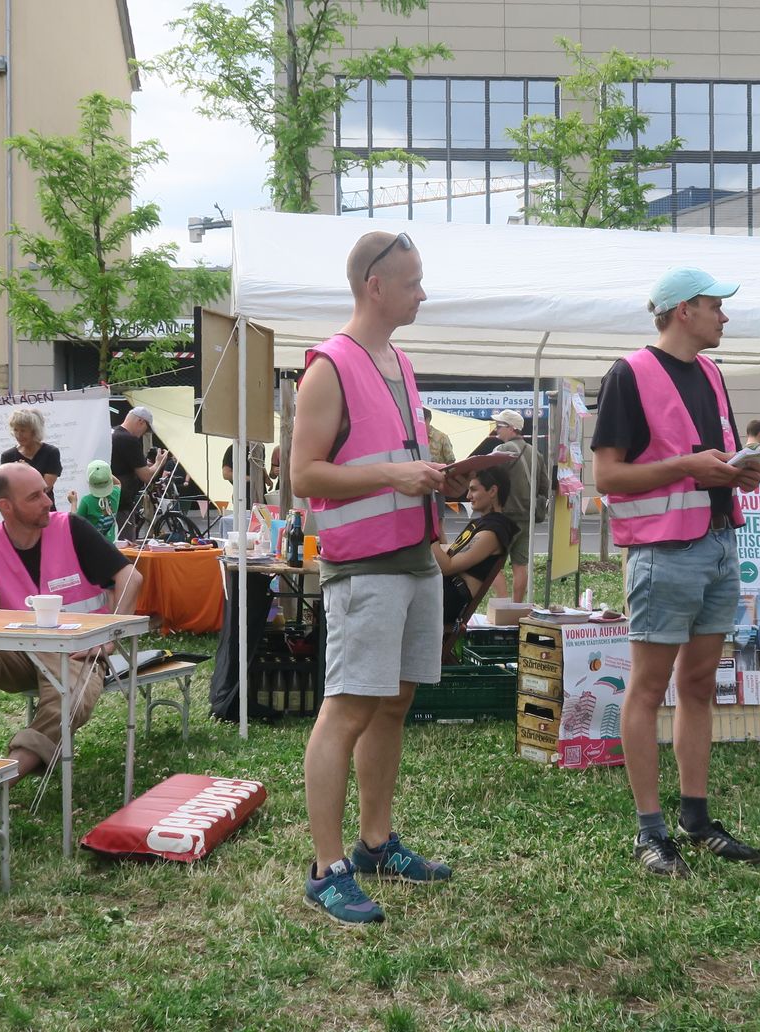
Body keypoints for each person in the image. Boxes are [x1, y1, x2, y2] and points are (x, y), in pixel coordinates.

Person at [289, 229, 457, 925]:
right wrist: (395, 474)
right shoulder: (329, 365)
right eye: (413, 281)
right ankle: (326, 867)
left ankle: (375, 842)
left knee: (392, 703)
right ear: (374, 286)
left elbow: (392, 457)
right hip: (363, 565)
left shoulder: (400, 362)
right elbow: (303, 475)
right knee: (349, 706)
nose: (423, 292)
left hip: (415, 557)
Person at [592, 267, 760, 878]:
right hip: (663, 551)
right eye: (717, 306)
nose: (725, 316)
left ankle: (695, 818)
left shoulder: (713, 374)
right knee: (646, 689)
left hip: (719, 544)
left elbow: (708, 460)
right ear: (682, 309)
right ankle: (650, 831)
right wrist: (689, 467)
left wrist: (736, 471)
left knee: (697, 688)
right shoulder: (629, 374)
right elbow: (607, 478)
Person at [0, 462, 143, 822]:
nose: (48, 501)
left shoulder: (72, 529)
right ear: (6, 506)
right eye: (35, 497)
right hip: (19, 651)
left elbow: (131, 576)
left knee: (70, 703)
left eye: (46, 492)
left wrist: (109, 637)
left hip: (80, 649)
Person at [432, 465, 516, 626]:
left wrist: (426, 534)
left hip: (449, 600)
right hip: (442, 592)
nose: (468, 496)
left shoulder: (493, 531)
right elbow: (450, 553)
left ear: (492, 491)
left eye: (474, 490)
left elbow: (447, 566)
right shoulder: (482, 524)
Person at [490, 408, 553, 603]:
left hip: (504, 516)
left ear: (512, 428)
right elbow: (545, 486)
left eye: (499, 426)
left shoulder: (501, 451)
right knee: (520, 565)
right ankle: (517, 607)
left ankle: (502, 603)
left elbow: (487, 481)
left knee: (492, 564)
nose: (496, 431)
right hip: (527, 517)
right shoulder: (536, 452)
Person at [110, 405, 168, 530]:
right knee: (126, 545)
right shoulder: (129, 440)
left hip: (107, 501)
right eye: (145, 430)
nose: (143, 434)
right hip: (121, 504)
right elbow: (147, 476)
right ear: (140, 421)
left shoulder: (112, 432)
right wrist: (159, 462)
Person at [0, 407, 63, 508]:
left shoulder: (51, 453)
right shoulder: (7, 457)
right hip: (20, 514)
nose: (18, 435)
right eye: (15, 430)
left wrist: (27, 471)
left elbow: (45, 488)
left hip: (45, 511)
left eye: (23, 430)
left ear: (34, 431)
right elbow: (8, 491)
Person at [70, 459, 121, 538]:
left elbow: (74, 523)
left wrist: (73, 502)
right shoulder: (115, 494)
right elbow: (118, 483)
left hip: (92, 547)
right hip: (111, 545)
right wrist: (104, 473)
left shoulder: (86, 501)